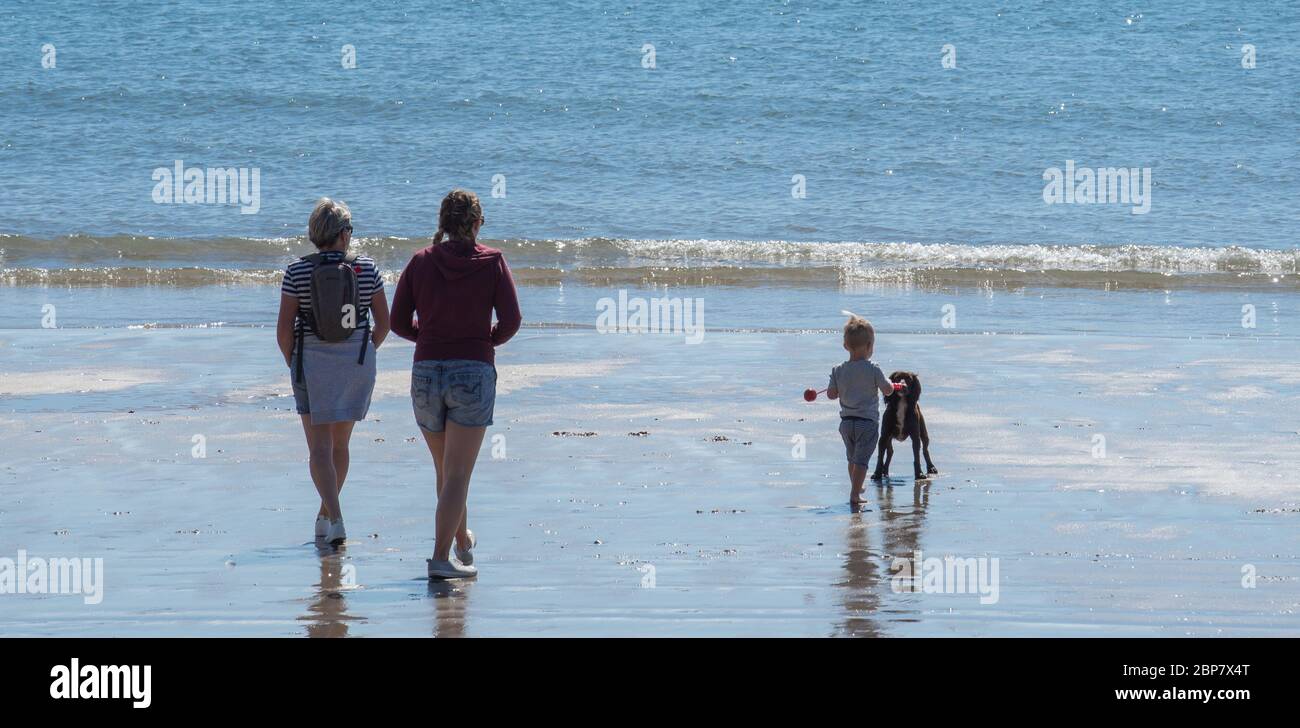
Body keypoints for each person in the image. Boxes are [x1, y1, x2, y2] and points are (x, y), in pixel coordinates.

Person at [391, 189, 522, 579]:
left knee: (447, 471)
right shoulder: (492, 261)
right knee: (458, 474)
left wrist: (431, 338)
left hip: (426, 372)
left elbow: (398, 322)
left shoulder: (420, 261)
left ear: (443, 224)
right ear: (477, 223)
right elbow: (511, 321)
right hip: (472, 371)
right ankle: (439, 559)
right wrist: (484, 342)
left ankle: (462, 541)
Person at [276, 198, 389, 545]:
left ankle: (335, 517)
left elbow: (283, 331)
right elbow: (384, 325)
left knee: (319, 449)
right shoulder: (367, 269)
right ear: (343, 234)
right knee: (340, 445)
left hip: (312, 363)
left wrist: (295, 362)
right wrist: (361, 354)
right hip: (355, 364)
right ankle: (325, 515)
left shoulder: (296, 272)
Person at [826, 315, 896, 506]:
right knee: (862, 460)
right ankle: (855, 494)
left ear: (845, 346)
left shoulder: (837, 370)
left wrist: (838, 387)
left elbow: (831, 395)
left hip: (847, 423)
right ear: (868, 346)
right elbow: (887, 390)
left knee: (852, 457)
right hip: (867, 423)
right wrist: (892, 384)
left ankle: (856, 486)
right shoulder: (873, 369)